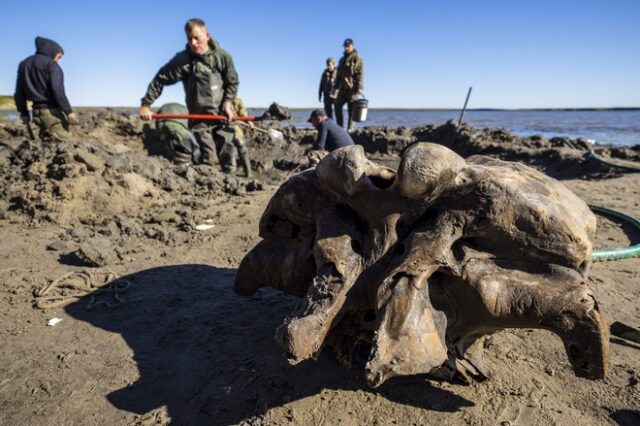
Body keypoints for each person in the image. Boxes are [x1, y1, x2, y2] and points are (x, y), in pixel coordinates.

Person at [139, 18, 239, 172]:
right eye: (189, 38)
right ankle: (207, 189)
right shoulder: (183, 61)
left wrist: (227, 102)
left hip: (222, 116)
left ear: (207, 35)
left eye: (196, 38)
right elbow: (160, 80)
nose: (193, 43)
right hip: (200, 119)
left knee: (229, 153)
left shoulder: (223, 57)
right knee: (208, 159)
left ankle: (232, 188)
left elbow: (232, 83)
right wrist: (146, 105)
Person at [14, 36, 78, 142]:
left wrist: (24, 113)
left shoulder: (24, 64)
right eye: (59, 57)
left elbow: (19, 92)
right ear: (53, 52)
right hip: (52, 113)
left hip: (36, 114)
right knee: (64, 144)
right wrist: (68, 111)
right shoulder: (51, 65)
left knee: (45, 144)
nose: (58, 60)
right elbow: (57, 90)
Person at [334, 38, 364, 131]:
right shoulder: (342, 59)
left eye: (348, 46)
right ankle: (340, 127)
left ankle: (350, 128)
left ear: (352, 46)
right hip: (342, 88)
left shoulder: (357, 57)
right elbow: (338, 74)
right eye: (345, 46)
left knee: (351, 109)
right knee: (337, 106)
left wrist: (360, 87)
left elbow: (360, 73)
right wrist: (335, 87)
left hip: (352, 88)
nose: (346, 48)